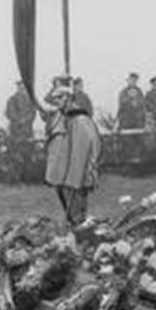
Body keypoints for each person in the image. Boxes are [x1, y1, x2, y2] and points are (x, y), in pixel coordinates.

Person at [43, 84, 101, 227]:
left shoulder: (81, 120)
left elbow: (89, 149)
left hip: (76, 176)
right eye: (55, 99)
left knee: (77, 215)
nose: (56, 101)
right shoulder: (61, 118)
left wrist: (82, 174)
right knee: (70, 214)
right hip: (62, 175)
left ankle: (82, 232)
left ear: (68, 98)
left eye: (59, 98)